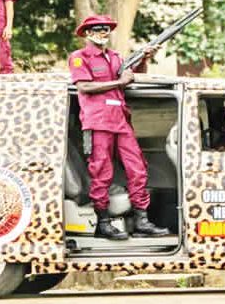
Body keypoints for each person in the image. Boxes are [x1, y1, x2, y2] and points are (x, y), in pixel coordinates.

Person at [68, 15, 168, 240]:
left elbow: (134, 76)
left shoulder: (115, 57)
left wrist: (144, 59)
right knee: (101, 172)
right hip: (97, 121)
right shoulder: (79, 57)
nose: (103, 32)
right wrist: (119, 82)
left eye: (106, 29)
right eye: (98, 29)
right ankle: (103, 223)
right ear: (87, 33)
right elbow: (84, 87)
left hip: (121, 121)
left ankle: (142, 220)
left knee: (138, 168)